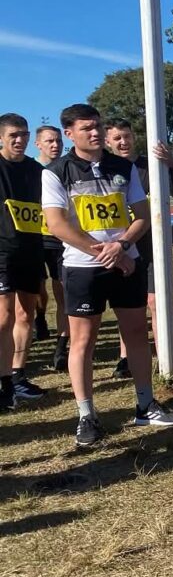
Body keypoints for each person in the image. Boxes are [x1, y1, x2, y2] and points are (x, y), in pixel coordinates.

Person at [42, 104, 173, 447]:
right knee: (83, 341)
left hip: (126, 262)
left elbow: (142, 214)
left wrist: (121, 246)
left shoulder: (123, 166)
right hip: (82, 267)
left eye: (97, 126)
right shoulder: (55, 171)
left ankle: (145, 404)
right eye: (87, 128)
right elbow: (58, 224)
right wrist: (103, 252)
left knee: (136, 332)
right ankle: (86, 415)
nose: (94, 132)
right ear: (69, 133)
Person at [104, 119, 173, 379]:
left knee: (155, 301)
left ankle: (163, 353)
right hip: (122, 246)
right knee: (128, 304)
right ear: (108, 141)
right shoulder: (106, 169)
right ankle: (125, 357)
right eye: (117, 137)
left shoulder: (149, 165)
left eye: (126, 135)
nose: (123, 141)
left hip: (154, 246)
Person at [0, 114, 47, 410]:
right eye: (14, 135)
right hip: (2, 250)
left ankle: (17, 374)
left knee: (26, 315)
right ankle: (4, 380)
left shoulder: (36, 170)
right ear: (1, 138)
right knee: (3, 316)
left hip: (31, 249)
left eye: (25, 135)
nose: (20, 140)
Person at [34, 124, 68, 371]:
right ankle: (40, 316)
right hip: (34, 239)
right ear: (38, 144)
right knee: (37, 290)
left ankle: (61, 348)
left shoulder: (67, 168)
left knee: (63, 293)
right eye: (49, 141)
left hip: (60, 240)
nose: (55, 145)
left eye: (58, 141)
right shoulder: (30, 170)